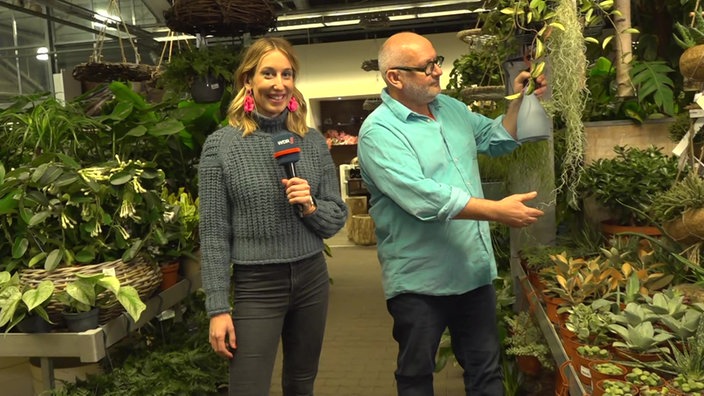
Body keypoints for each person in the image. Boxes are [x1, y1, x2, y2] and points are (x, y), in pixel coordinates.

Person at [357, 32, 547, 396]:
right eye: (427, 66)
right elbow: (424, 198)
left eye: (437, 61)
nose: (438, 71)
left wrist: (517, 102)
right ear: (395, 77)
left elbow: (496, 138)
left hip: (471, 273)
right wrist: (495, 211)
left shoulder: (452, 110)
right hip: (420, 282)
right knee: (416, 376)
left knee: (485, 372)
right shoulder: (379, 133)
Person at [198, 36, 348, 396]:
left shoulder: (310, 140)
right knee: (247, 387)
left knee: (301, 384)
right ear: (248, 80)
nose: (279, 84)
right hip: (257, 284)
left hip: (311, 277)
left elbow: (336, 215)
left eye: (287, 74)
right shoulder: (221, 145)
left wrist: (310, 206)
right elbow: (214, 232)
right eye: (268, 73)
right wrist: (218, 307)